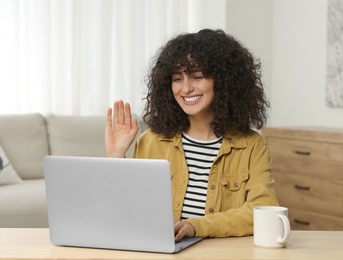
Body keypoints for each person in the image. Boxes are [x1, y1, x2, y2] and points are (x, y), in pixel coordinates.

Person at [105, 28, 279, 241]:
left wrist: (196, 226)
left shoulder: (251, 145)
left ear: (223, 82)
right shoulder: (151, 141)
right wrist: (116, 157)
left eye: (197, 77)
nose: (186, 88)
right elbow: (126, 211)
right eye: (177, 78)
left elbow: (262, 211)